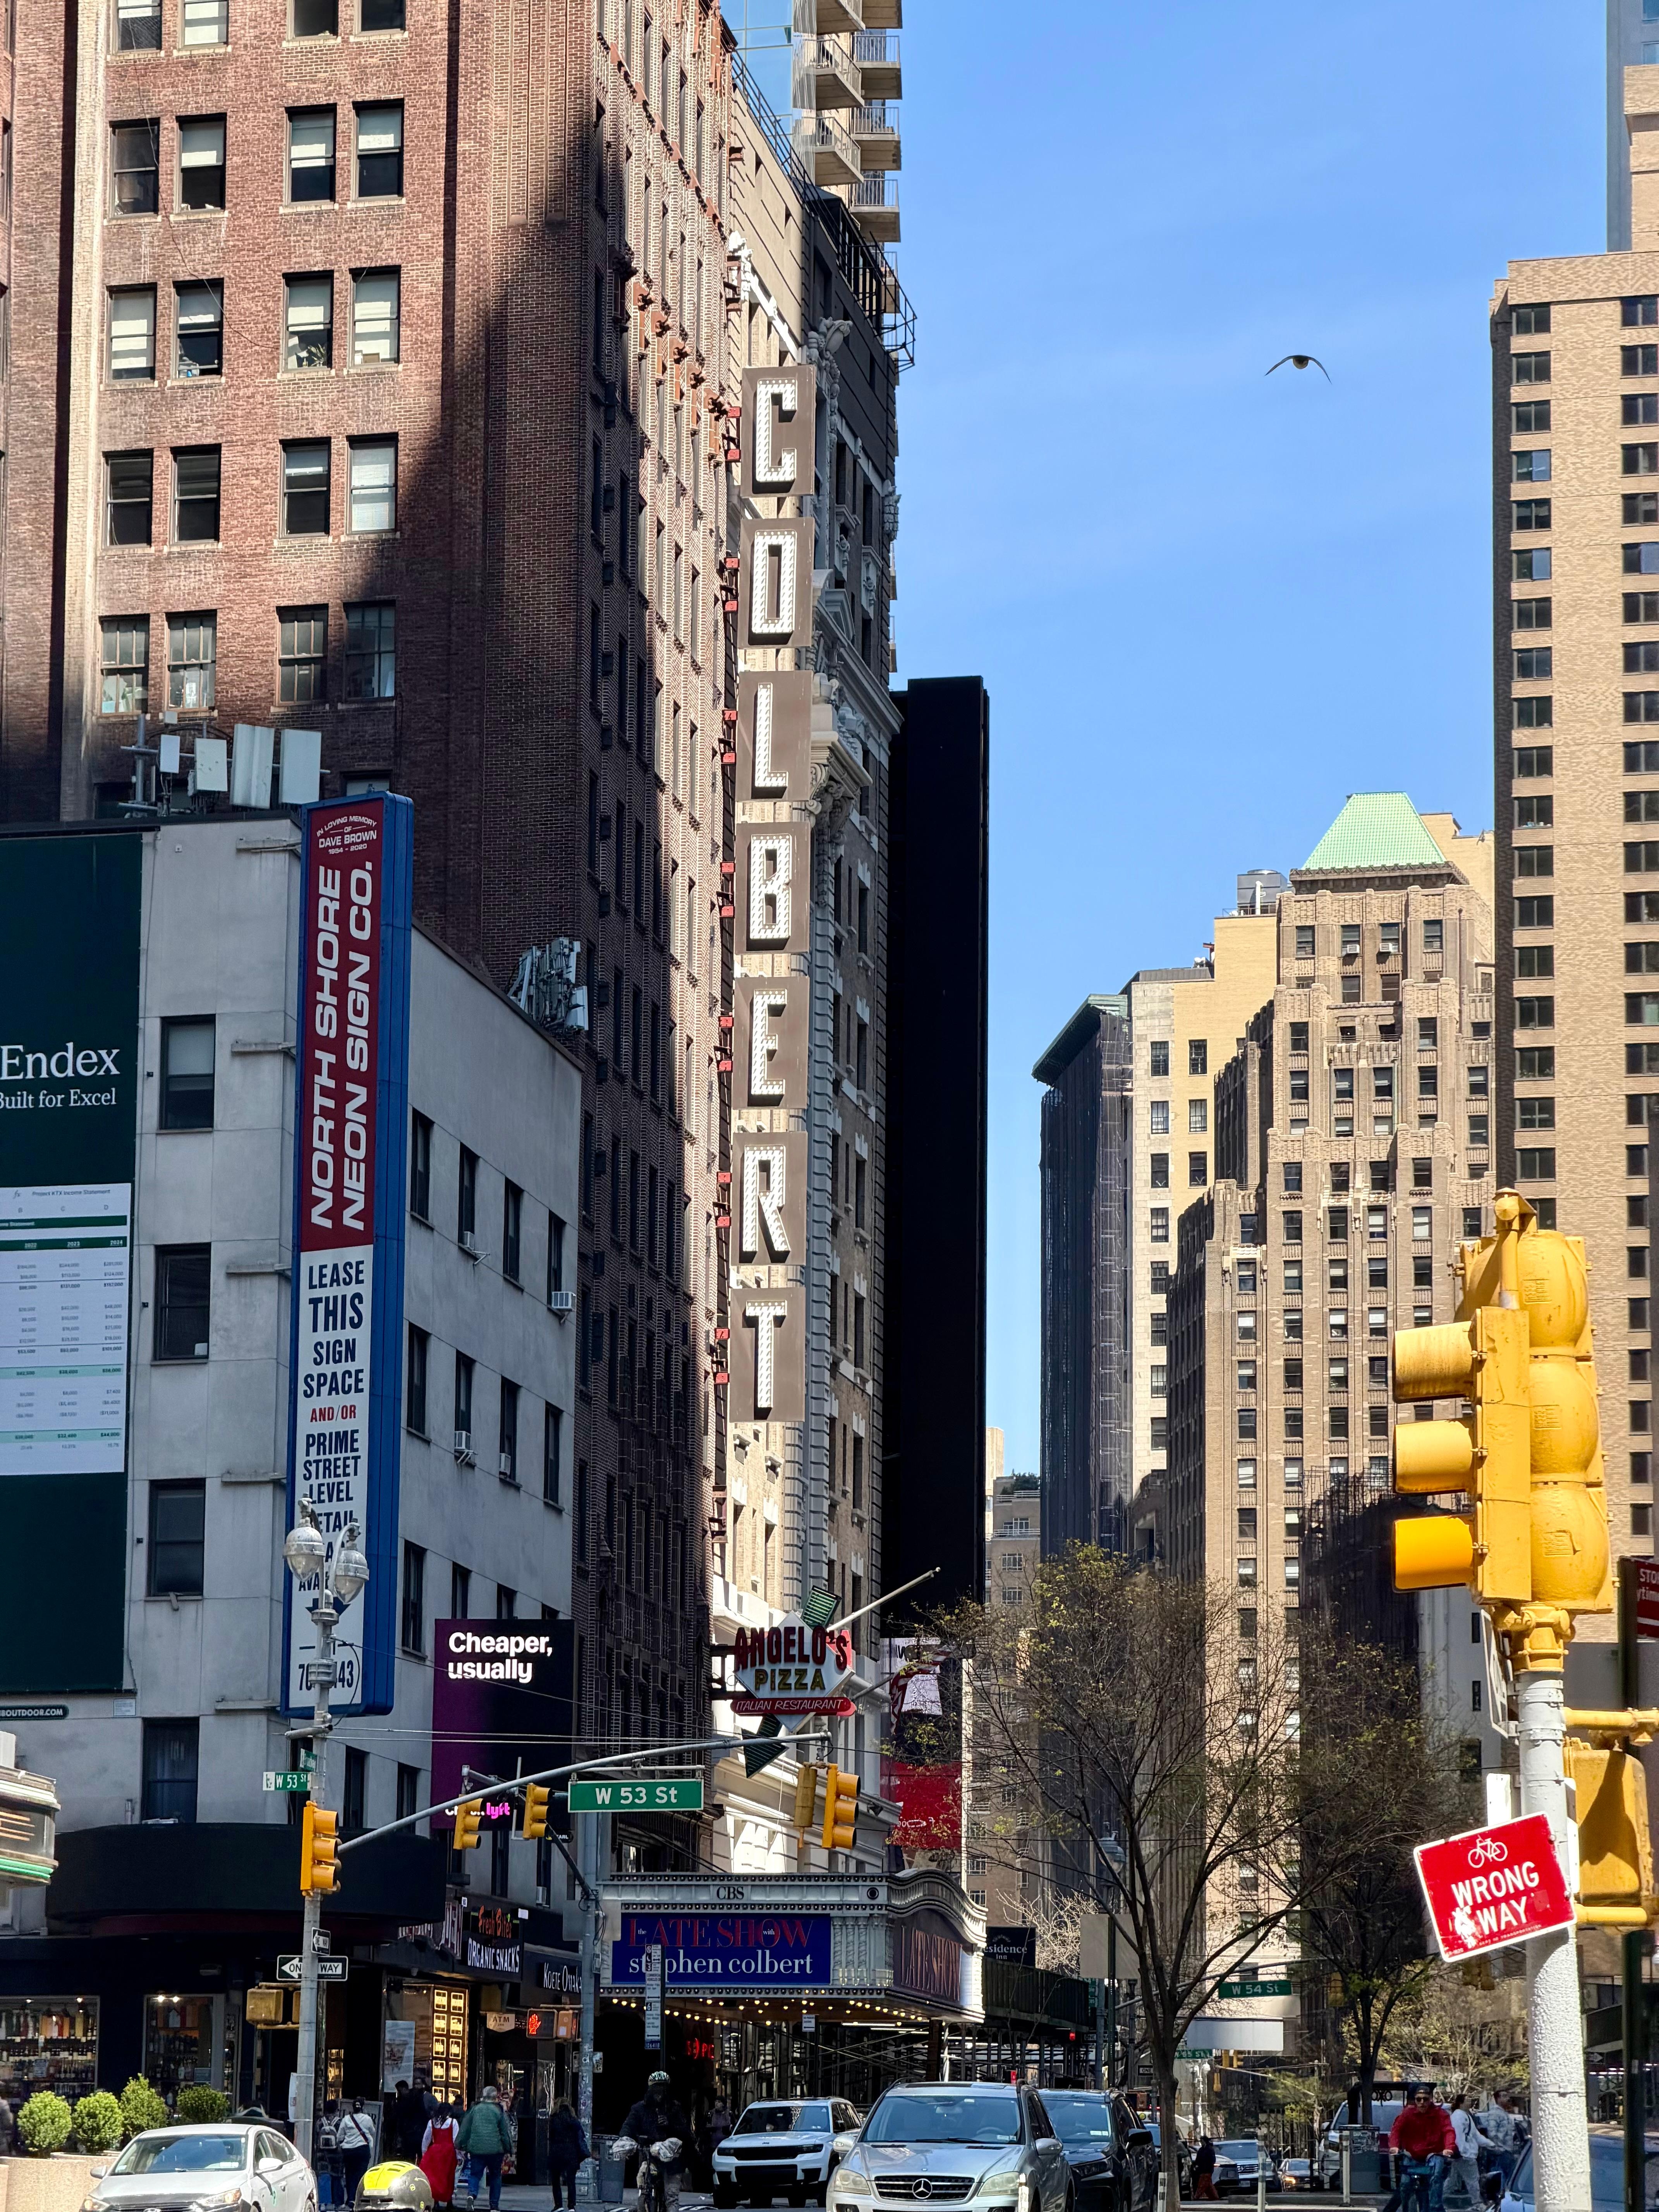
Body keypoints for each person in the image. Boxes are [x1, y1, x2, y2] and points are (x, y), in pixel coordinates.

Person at [618, 2073, 692, 2212]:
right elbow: (629, 2126)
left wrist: (670, 2125)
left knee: (672, 2197)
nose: (660, 2093)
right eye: (656, 2088)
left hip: (673, 2159)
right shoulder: (639, 2109)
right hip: (649, 2155)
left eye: (663, 2088)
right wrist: (625, 2139)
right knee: (644, 2190)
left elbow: (685, 2132)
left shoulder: (674, 2108)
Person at [1385, 2088, 1454, 2212]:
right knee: (1405, 2184)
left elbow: (1448, 2131)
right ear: (1415, 2101)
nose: (1422, 2102)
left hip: (1433, 2154)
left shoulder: (1441, 2114)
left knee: (1436, 2176)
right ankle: (1405, 2208)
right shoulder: (1407, 2114)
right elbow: (1397, 2130)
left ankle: (1435, 2206)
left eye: (1425, 2099)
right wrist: (1394, 2146)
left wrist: (1449, 2148)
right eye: (1419, 2099)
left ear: (1431, 2100)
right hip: (1412, 2155)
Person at [457, 2085, 515, 2212]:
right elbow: (505, 2132)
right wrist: (509, 2149)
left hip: (477, 2149)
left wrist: (461, 2146)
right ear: (495, 2098)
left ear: (484, 2096)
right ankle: (494, 2205)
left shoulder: (475, 2110)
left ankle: (472, 2195)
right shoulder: (498, 2111)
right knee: (495, 2176)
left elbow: (465, 2128)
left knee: (475, 2175)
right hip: (496, 2150)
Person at [1445, 2094, 1492, 2210]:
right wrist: (1462, 2151)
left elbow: (1475, 2135)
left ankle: (1440, 2198)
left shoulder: (1467, 2116)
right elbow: (1458, 2135)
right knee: (1473, 2179)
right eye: (1468, 2101)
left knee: (1453, 2180)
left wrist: (1490, 2144)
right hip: (1466, 2155)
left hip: (1464, 2154)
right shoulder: (1458, 2117)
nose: (1470, 2103)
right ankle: (1477, 2202)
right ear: (1461, 2103)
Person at [548, 2098, 588, 2211]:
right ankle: (572, 2206)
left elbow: (550, 2137)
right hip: (572, 2154)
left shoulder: (554, 2119)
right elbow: (580, 2137)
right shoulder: (574, 2121)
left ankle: (558, 2205)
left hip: (557, 2153)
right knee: (571, 2181)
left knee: (556, 2180)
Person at [420, 2102, 462, 2208]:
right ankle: (449, 2201)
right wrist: (459, 2156)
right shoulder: (453, 2122)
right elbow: (455, 2140)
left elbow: (426, 2139)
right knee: (449, 2177)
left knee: (436, 2177)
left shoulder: (432, 2122)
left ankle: (436, 2200)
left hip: (435, 2151)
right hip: (449, 2152)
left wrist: (425, 2153)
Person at [337, 2098, 378, 2203]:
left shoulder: (346, 2119)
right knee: (361, 2175)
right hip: (362, 2150)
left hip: (348, 2151)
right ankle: (359, 2198)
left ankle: (351, 2199)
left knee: (350, 2174)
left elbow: (340, 2136)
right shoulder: (368, 2119)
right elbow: (373, 2131)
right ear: (363, 2107)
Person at [314, 2099, 342, 2207]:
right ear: (336, 2110)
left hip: (322, 2154)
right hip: (336, 2154)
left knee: (324, 2176)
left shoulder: (320, 2122)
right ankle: (337, 2203)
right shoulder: (340, 2122)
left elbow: (317, 2135)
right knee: (337, 2177)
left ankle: (323, 2203)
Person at [1190, 2134, 1218, 2202]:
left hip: (1208, 2169)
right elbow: (1198, 2159)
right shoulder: (1201, 2150)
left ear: (1205, 2141)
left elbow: (1212, 2160)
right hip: (1202, 2169)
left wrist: (1210, 2166)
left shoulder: (1210, 2149)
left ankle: (1197, 2196)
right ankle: (1214, 2196)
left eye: (1202, 2141)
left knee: (1202, 2184)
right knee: (1208, 2184)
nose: (1201, 2143)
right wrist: (1197, 2165)